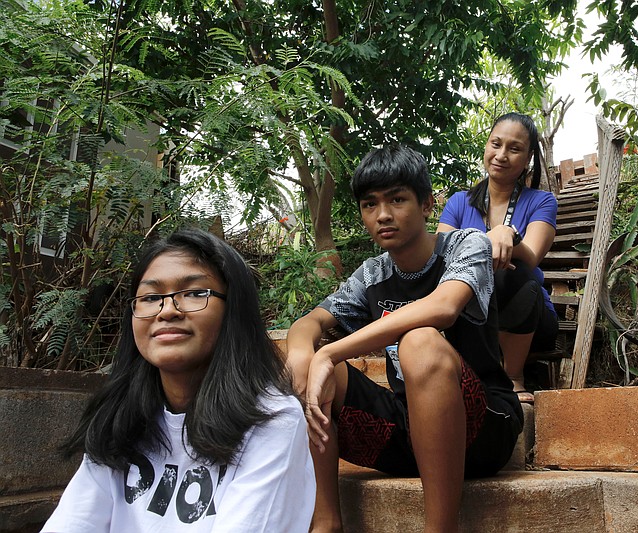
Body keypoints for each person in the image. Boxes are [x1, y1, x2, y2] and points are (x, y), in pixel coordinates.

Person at [286, 145, 522, 533]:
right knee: (307, 362)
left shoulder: (467, 246)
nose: (382, 215)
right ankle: (326, 521)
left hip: (481, 431)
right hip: (409, 433)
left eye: (397, 199)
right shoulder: (373, 273)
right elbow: (310, 321)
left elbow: (443, 307)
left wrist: (332, 351)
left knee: (420, 342)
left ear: (427, 204)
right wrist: (302, 351)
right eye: (369, 204)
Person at [43, 229, 315, 532]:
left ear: (234, 311)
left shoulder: (272, 419)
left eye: (195, 293)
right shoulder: (119, 419)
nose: (167, 310)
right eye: (150, 297)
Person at [437, 112, 559, 403]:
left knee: (516, 272)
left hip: (528, 315)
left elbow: (530, 257)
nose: (501, 155)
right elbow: (440, 253)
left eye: (514, 149)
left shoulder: (542, 201)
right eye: (496, 144)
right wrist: (485, 239)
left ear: (528, 157)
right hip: (473, 311)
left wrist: (508, 235)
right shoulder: (458, 202)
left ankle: (513, 377)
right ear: (486, 146)